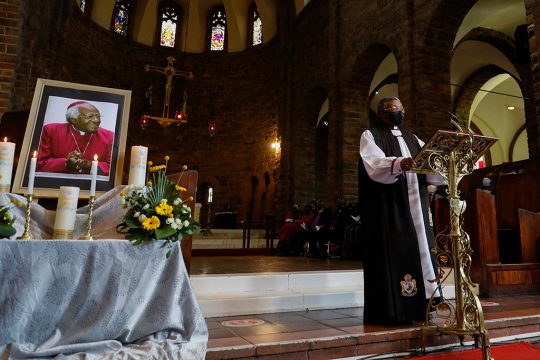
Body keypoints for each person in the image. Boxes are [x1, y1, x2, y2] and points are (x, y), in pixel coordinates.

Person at [358, 96, 446, 325]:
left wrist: (444, 165)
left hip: (419, 205)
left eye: (400, 109)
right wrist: (399, 164)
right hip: (393, 208)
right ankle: (398, 309)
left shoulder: (413, 138)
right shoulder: (371, 135)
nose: (398, 112)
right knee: (399, 253)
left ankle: (427, 303)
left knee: (425, 252)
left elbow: (430, 166)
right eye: (393, 109)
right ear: (382, 113)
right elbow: (374, 164)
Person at [37, 101, 114, 175]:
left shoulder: (109, 136)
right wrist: (65, 163)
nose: (97, 120)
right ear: (73, 119)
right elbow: (39, 163)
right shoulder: (51, 130)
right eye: (89, 117)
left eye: (98, 116)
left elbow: (113, 168)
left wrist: (89, 165)